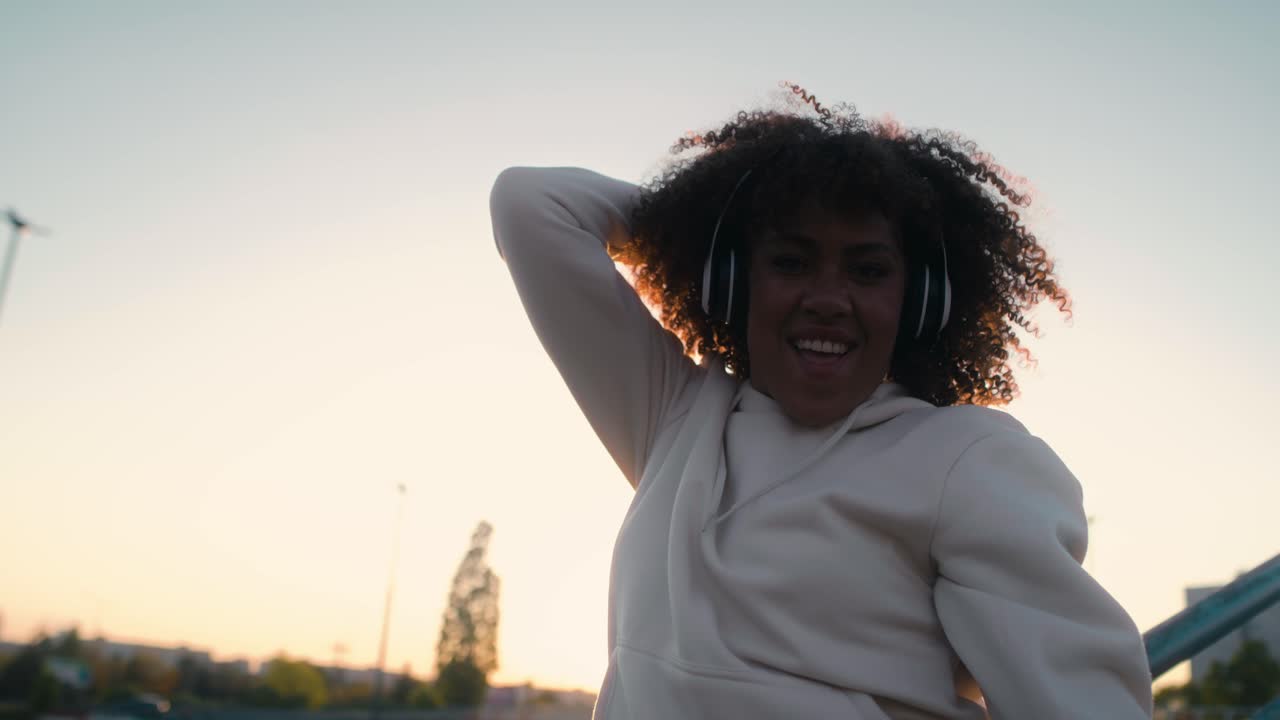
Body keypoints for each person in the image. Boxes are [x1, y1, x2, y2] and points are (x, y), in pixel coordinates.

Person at [489, 86, 1154, 719]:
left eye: (868, 270)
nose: (830, 299)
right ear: (734, 278)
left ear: (919, 300)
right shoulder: (673, 416)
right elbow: (531, 204)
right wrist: (705, 233)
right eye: (790, 262)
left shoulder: (968, 459)